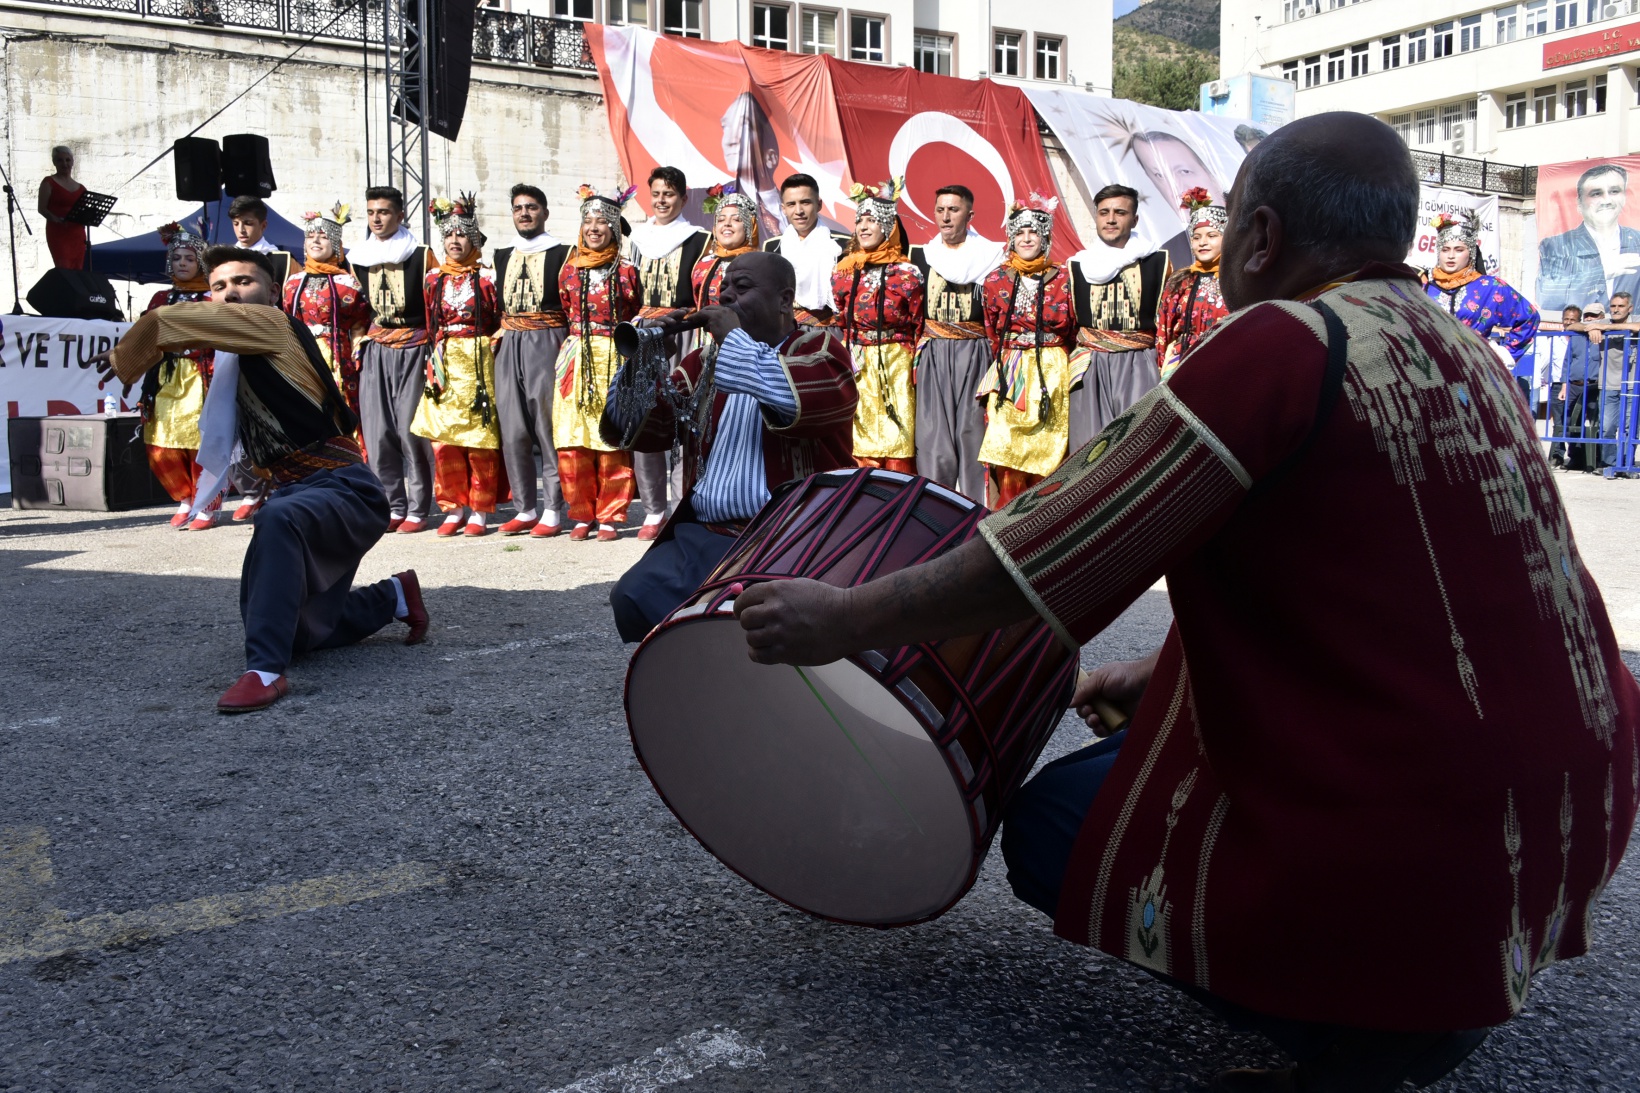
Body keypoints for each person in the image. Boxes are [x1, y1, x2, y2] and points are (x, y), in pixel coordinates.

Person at [729, 112, 1639, 1093]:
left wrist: (845, 618)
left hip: (1422, 841)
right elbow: (1403, 590)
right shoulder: (1461, 351)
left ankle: (1367, 1033)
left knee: (1053, 824)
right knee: (1138, 749)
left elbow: (1045, 554)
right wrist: (1168, 672)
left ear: (1259, 237)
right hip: (1558, 819)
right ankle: (1428, 982)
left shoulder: (1282, 345)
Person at [97, 246, 429, 713]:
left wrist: (127, 355)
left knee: (277, 521)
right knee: (294, 630)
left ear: (273, 292)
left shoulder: (272, 324)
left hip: (343, 489)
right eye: (218, 287)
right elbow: (187, 336)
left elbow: (170, 321)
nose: (230, 293)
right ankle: (393, 597)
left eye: (243, 282)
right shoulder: (238, 351)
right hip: (299, 491)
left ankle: (265, 673)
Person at [605, 251, 856, 641]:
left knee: (736, 627)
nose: (724, 296)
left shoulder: (820, 348)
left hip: (792, 536)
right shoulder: (704, 360)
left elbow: (798, 402)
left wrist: (733, 338)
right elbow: (636, 428)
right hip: (707, 534)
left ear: (785, 301)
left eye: (742, 286)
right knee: (632, 596)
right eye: (723, 287)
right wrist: (647, 361)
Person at [411, 193, 504, 537]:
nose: (454, 240)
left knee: (480, 437)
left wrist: (490, 347)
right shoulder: (433, 279)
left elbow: (499, 319)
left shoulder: (487, 278)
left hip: (478, 360)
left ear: (474, 238)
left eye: (462, 234)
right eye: (448, 234)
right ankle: (453, 507)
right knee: (444, 439)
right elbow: (430, 321)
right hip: (444, 360)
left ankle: (479, 509)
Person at [553, 184, 642, 542]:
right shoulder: (568, 270)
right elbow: (565, 308)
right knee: (573, 436)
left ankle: (610, 514)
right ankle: (580, 512)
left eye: (602, 221)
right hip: (577, 356)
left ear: (615, 227)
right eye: (588, 221)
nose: (593, 228)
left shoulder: (627, 271)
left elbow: (634, 311)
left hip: (614, 356)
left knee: (612, 435)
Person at [976, 195, 1076, 507]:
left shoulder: (1065, 278)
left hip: (1051, 369)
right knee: (1005, 444)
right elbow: (992, 331)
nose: (1027, 238)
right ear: (1011, 238)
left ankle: (1045, 515)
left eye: (1034, 231)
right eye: (1020, 232)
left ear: (1045, 236)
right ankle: (1006, 515)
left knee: (1047, 447)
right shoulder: (994, 281)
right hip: (1010, 370)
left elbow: (1072, 330)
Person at [629, 166, 711, 541]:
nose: (662, 201)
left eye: (670, 194)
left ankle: (681, 504)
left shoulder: (699, 239)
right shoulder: (635, 239)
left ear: (683, 198)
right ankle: (652, 509)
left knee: (683, 419)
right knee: (643, 416)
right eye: (657, 194)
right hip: (643, 334)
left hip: (682, 333)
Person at [350, 185, 438, 533]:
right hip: (377, 349)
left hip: (415, 347)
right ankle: (391, 505)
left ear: (400, 215)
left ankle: (418, 507)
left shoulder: (421, 254)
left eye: (384, 212)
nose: (376, 219)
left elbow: (435, 305)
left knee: (410, 431)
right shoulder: (357, 257)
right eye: (371, 212)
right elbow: (357, 309)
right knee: (378, 431)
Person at [908, 184, 1004, 503]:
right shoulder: (921, 255)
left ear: (969, 215)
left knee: (973, 432)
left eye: (954, 210)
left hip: (975, 352)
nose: (946, 217)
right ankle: (935, 509)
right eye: (940, 210)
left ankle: (976, 512)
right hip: (934, 353)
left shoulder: (990, 256)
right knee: (932, 435)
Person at [1066, 184, 1170, 452]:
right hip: (1090, 365)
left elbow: (1170, 321)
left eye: (1120, 213)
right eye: (1104, 212)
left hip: (1139, 363)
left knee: (1139, 444)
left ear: (1135, 220)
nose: (1110, 219)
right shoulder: (1077, 264)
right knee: (1087, 448)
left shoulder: (1158, 262)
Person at [492, 183, 570, 537]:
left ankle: (553, 508)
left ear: (545, 212)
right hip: (509, 340)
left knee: (547, 426)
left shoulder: (563, 253)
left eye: (532, 207)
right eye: (518, 208)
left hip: (547, 339)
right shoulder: (502, 255)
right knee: (512, 429)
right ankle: (525, 508)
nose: (524, 213)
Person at [832, 179, 925, 475]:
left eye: (871, 220)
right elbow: (841, 316)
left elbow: (918, 322)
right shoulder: (845, 271)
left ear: (887, 226)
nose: (864, 227)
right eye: (860, 221)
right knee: (859, 428)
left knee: (898, 429)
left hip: (896, 358)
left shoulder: (907, 273)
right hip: (858, 358)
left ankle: (899, 489)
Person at [141, 222, 216, 530]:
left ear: (201, 263)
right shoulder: (160, 298)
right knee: (161, 440)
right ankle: (184, 498)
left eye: (189, 258)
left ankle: (206, 502)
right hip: (166, 375)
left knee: (200, 440)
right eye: (176, 258)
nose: (182, 263)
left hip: (201, 375)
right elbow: (144, 336)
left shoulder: (212, 298)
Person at [282, 203, 372, 427]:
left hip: (338, 355)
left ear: (336, 245)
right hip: (303, 352)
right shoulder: (293, 282)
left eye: (323, 237)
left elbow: (360, 325)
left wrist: (357, 357)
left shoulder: (348, 284)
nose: (316, 241)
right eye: (310, 236)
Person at [1423, 210, 1538, 374]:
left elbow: (1529, 317)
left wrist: (1502, 354)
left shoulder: (1490, 287)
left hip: (1473, 373)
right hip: (1429, 373)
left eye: (1459, 250)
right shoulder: (1425, 287)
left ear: (1470, 252)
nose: (1451, 256)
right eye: (1445, 249)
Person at [1538, 163, 1640, 314]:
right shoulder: (1555, 245)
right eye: (1596, 194)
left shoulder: (1637, 240)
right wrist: (1602, 271)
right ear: (1579, 203)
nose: (1607, 200)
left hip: (1630, 328)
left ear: (1624, 198)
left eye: (1614, 191)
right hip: (1580, 327)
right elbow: (1547, 297)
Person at [1155, 188, 1230, 379]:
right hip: (1182, 365)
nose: (1202, 242)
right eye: (1197, 237)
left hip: (1225, 363)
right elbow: (1164, 329)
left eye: (1212, 236)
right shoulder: (1181, 281)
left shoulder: (1235, 280)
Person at [764, 174, 846, 330]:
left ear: (819, 204)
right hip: (785, 330)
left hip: (830, 331)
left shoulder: (842, 244)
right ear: (783, 209)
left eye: (805, 202)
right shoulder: (772, 247)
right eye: (791, 204)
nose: (798, 211)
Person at [1585, 291, 1639, 471]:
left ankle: (1626, 463)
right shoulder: (1602, 322)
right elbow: (1574, 324)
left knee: (1630, 427)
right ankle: (1609, 463)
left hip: (1632, 385)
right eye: (1613, 306)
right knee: (1607, 427)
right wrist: (1591, 328)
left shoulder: (1631, 321)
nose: (1616, 309)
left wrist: (1604, 327)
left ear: (1630, 308)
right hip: (1608, 383)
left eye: (1620, 306)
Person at [692, 184, 760, 308]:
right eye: (721, 220)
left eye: (736, 219)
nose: (727, 224)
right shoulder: (704, 266)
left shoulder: (761, 265)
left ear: (751, 227)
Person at [1545, 304, 1593, 472]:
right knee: (1559, 422)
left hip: (1575, 383)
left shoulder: (1583, 338)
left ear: (1579, 321)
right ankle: (1556, 455)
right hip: (1557, 384)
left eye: (1573, 319)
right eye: (1566, 319)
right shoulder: (1554, 339)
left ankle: (1576, 457)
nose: (1568, 322)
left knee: (1575, 422)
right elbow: (1545, 362)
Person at [38, 145, 87, 271]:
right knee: (64, 268)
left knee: (78, 269)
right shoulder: (48, 182)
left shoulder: (81, 188)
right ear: (54, 162)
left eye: (67, 160)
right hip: (59, 233)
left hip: (77, 233)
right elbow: (42, 209)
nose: (64, 164)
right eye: (60, 160)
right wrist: (56, 220)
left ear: (72, 162)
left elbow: (83, 211)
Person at [229, 195, 292, 285]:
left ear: (263, 225)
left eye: (248, 223)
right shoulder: (226, 258)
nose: (241, 230)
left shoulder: (281, 260)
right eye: (236, 224)